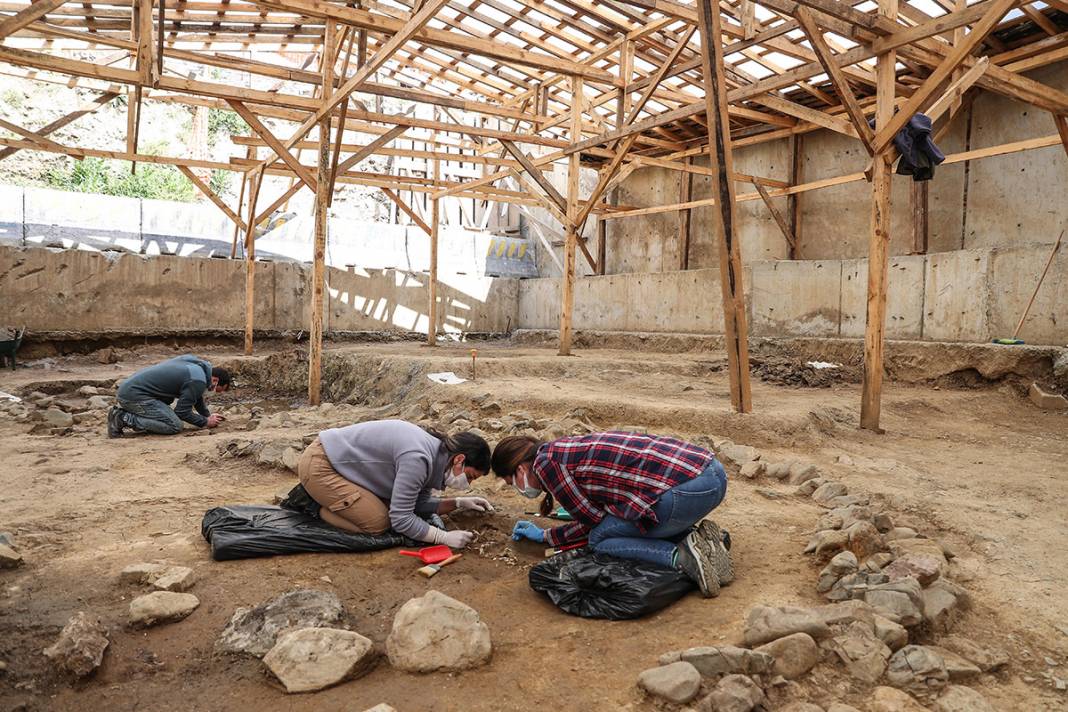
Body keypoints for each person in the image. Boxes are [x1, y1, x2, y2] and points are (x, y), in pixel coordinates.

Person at [492, 432, 733, 597]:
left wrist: (548, 536)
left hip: (687, 492)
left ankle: (681, 556)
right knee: (627, 520)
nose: (517, 487)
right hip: (713, 476)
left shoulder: (545, 465)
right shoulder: (560, 449)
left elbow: (592, 522)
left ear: (521, 468)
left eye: (510, 480)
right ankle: (702, 541)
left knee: (600, 539)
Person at [298, 419, 494, 548]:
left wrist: (458, 502)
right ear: (459, 460)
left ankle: (335, 498)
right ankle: (314, 506)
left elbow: (417, 505)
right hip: (321, 466)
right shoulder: (418, 459)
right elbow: (401, 518)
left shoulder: (436, 457)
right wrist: (442, 537)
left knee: (386, 510)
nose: (466, 483)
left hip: (344, 468)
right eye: (469, 476)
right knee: (378, 522)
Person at [107, 355, 231, 437]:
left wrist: (207, 416)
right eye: (218, 390)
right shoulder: (198, 380)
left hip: (133, 391)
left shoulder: (198, 368)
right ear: (215, 380)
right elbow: (182, 412)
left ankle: (127, 415)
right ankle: (122, 418)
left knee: (168, 418)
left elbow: (196, 397)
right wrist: (205, 422)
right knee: (174, 425)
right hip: (134, 396)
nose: (214, 392)